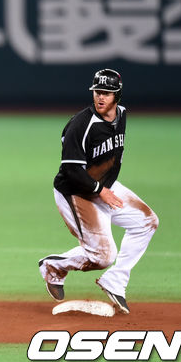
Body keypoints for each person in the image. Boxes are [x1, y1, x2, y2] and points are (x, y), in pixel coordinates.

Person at [38, 69, 158, 314]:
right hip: (76, 192)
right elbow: (71, 171)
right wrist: (99, 190)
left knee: (147, 222)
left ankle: (115, 281)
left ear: (117, 96)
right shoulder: (80, 125)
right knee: (103, 257)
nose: (101, 97)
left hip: (104, 187)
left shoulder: (121, 115)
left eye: (107, 93)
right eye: (97, 92)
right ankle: (53, 267)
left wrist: (104, 188)